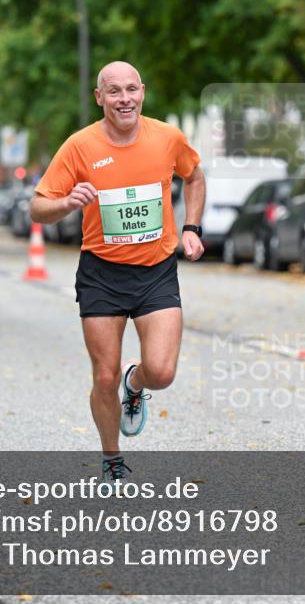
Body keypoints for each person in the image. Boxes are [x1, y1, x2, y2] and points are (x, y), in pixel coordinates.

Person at [31, 61, 206, 483]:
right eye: (114, 91)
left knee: (161, 373)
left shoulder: (167, 138)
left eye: (131, 90)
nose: (124, 98)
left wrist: (191, 228)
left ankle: (137, 381)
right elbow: (38, 207)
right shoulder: (79, 146)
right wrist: (67, 201)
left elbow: (195, 178)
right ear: (99, 97)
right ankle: (112, 459)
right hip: (102, 274)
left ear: (142, 92)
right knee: (103, 376)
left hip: (156, 271)